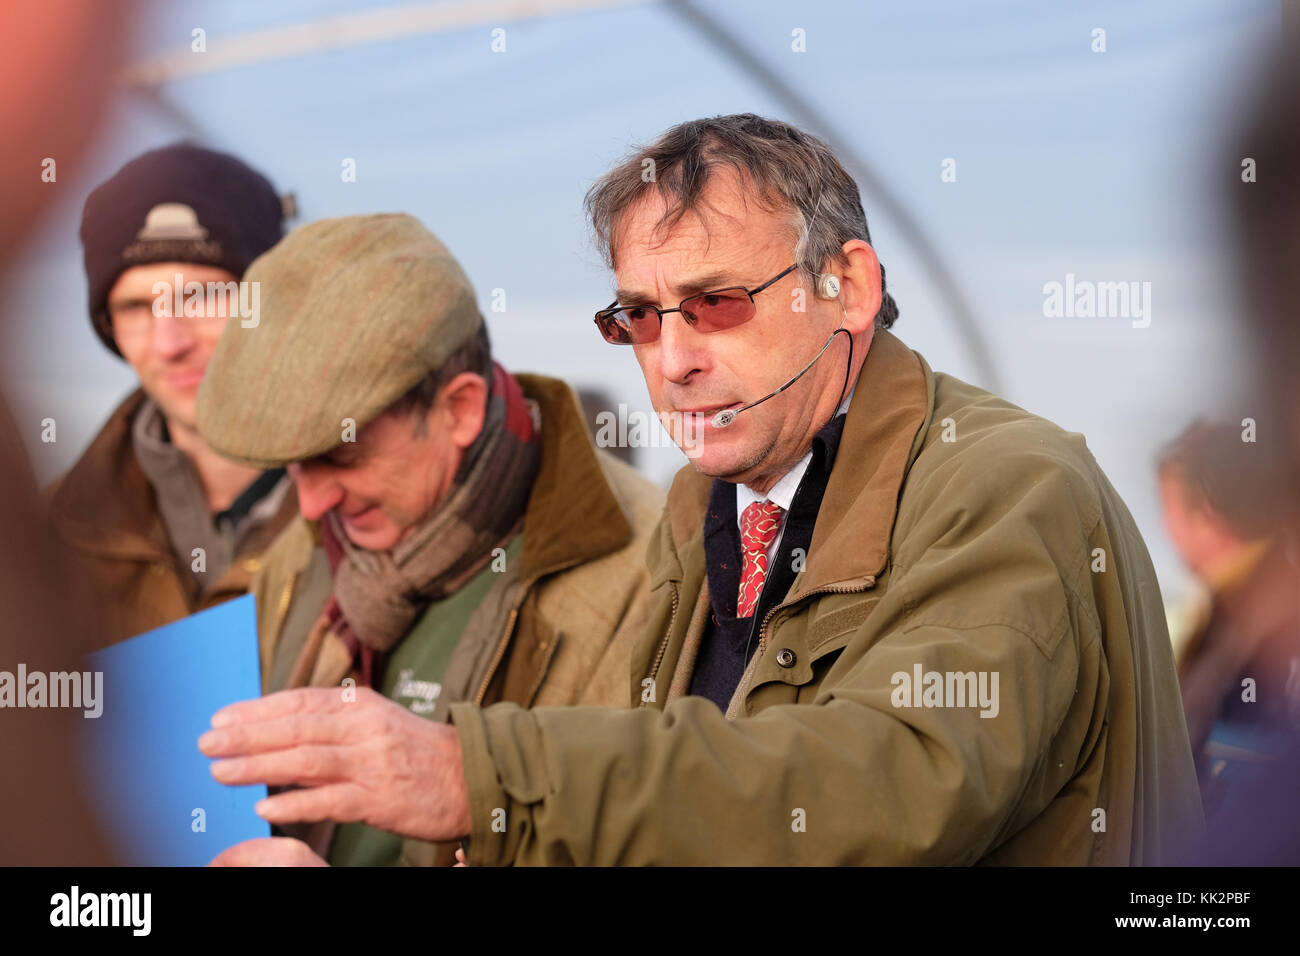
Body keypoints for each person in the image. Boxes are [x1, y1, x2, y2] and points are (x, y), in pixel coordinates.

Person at [204, 114, 1202, 866]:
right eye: (638, 316)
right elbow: (677, 825)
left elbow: (882, 780)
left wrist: (476, 773)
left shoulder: (1007, 483)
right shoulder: (709, 508)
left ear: (847, 286)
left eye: (716, 303)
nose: (672, 359)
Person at [195, 213, 664, 866]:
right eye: (292, 463)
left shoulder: (656, 575)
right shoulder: (305, 552)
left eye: (340, 456)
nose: (309, 502)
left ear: (460, 408)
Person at [44, 143, 298, 647]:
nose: (169, 343)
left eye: (200, 296)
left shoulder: (379, 505)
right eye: (137, 307)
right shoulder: (47, 535)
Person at [1157, 420, 1300, 820]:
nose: (1169, 533)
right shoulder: (1238, 609)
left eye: (1168, 510)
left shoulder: (1261, 626)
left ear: (1206, 513)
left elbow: (1251, 777)